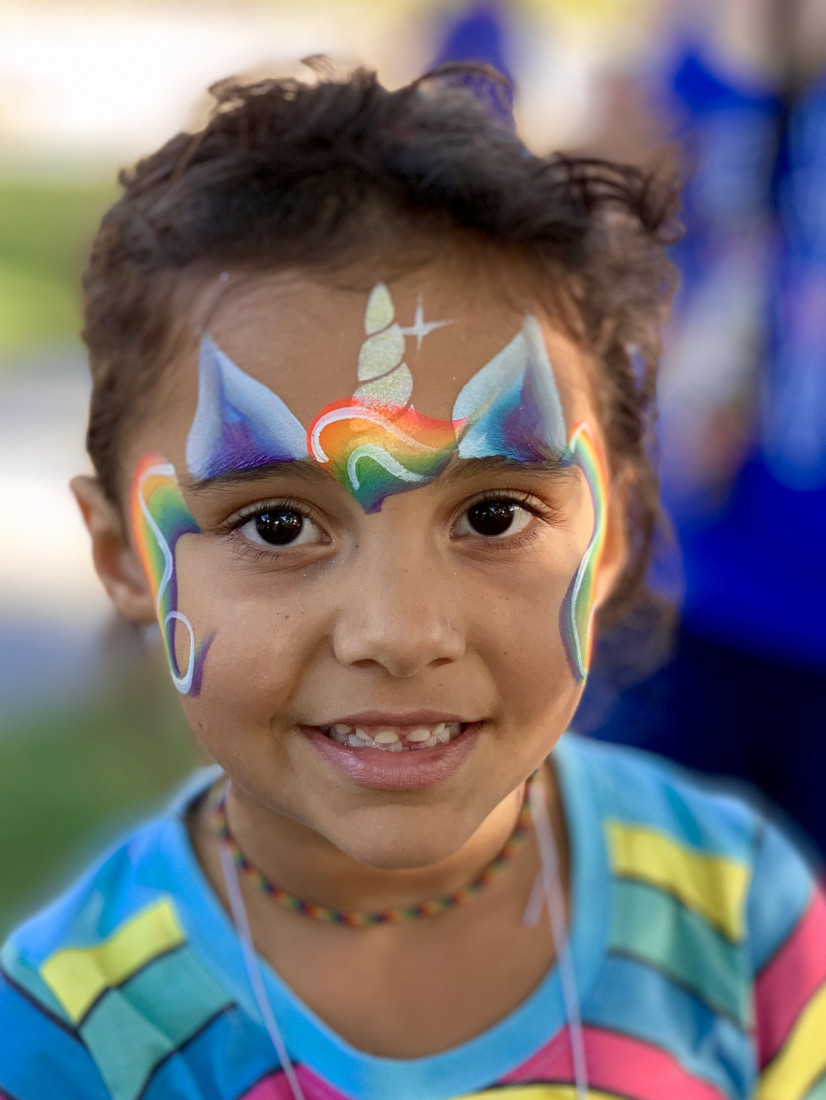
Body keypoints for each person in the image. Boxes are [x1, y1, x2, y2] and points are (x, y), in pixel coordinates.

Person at [1, 63, 824, 1100]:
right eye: (277, 523)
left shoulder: (744, 917)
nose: (398, 632)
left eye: (493, 515)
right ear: (125, 554)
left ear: (613, 533)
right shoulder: (69, 1039)